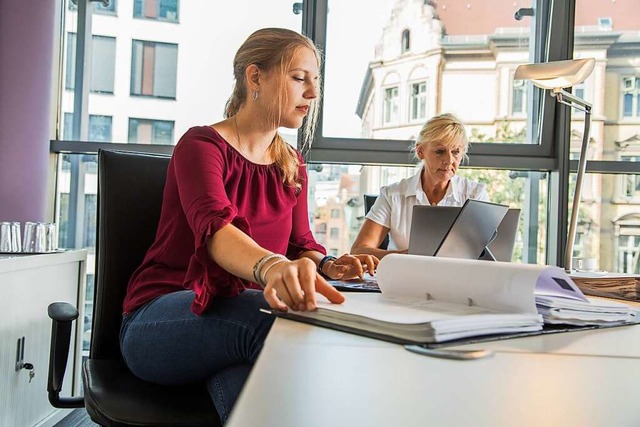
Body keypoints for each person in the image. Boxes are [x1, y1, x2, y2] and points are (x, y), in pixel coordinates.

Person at [119, 28, 378, 424]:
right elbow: (216, 231)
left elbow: (300, 243)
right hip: (161, 317)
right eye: (299, 78)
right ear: (255, 77)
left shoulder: (291, 164)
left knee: (251, 388)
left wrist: (326, 265)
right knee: (270, 321)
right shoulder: (201, 146)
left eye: (316, 80)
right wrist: (273, 268)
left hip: (238, 324)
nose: (312, 93)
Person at [351, 113, 489, 258]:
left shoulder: (475, 195)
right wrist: (407, 256)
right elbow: (359, 250)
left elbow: (487, 256)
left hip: (458, 279)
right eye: (440, 151)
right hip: (403, 277)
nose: (449, 160)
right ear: (420, 151)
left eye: (455, 152)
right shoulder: (393, 195)